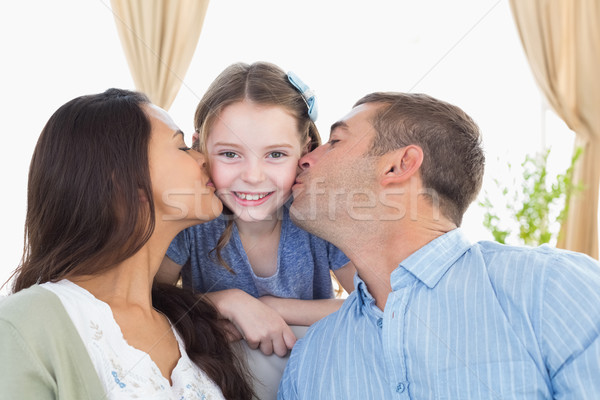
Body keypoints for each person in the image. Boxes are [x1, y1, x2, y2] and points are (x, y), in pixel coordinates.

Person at [278, 92, 600, 399]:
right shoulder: (309, 362)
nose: (304, 159)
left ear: (399, 165)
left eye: (335, 142)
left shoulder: (553, 289)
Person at [0, 89, 254, 399]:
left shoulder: (191, 325)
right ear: (124, 182)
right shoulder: (22, 324)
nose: (204, 158)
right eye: (183, 146)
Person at [156, 62, 355, 356]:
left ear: (305, 151)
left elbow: (378, 304)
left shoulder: (320, 214)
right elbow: (148, 300)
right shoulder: (190, 220)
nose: (253, 176)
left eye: (275, 154)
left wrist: (273, 307)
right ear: (200, 149)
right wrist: (227, 301)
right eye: (230, 153)